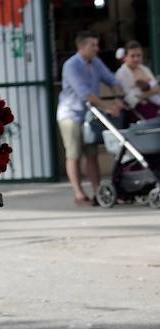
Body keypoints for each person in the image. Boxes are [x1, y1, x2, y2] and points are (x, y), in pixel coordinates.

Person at [57, 31, 123, 205]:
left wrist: (118, 97)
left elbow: (112, 80)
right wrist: (109, 107)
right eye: (92, 45)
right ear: (81, 47)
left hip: (89, 115)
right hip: (71, 114)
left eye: (97, 45)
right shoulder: (71, 65)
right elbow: (86, 94)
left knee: (92, 153)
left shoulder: (96, 62)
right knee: (74, 153)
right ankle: (78, 194)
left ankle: (98, 192)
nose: (97, 49)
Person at [114, 40, 160, 121]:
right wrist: (151, 92)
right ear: (125, 57)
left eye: (139, 56)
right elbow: (130, 99)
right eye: (132, 56)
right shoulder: (121, 73)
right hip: (135, 110)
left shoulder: (145, 69)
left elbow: (156, 87)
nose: (136, 59)